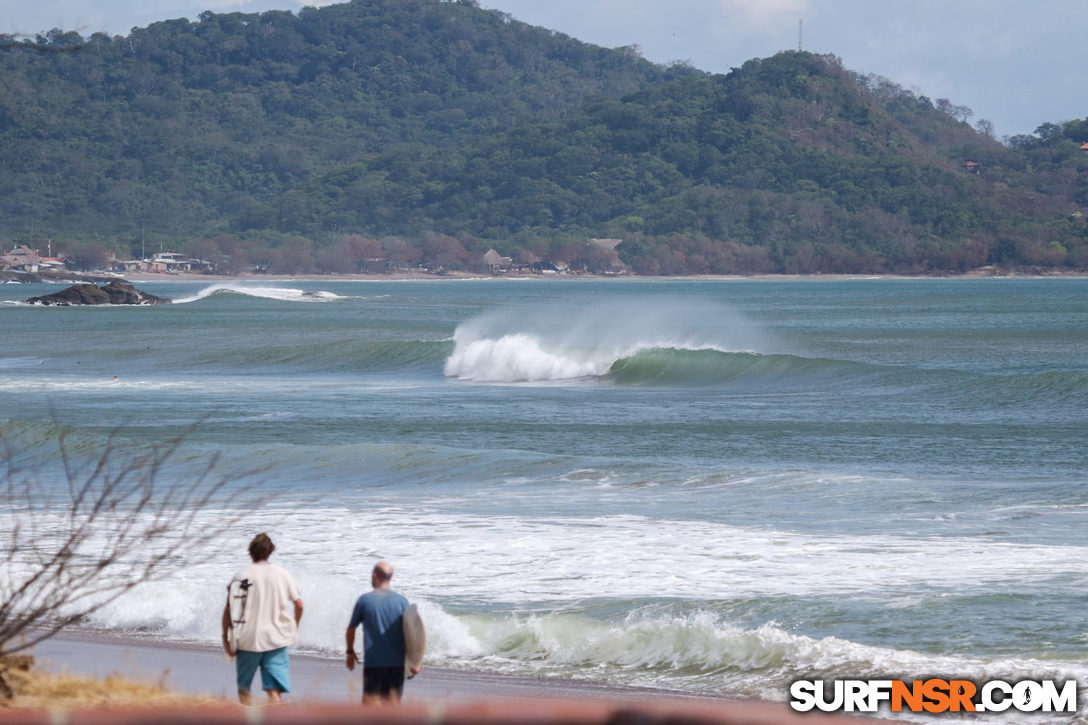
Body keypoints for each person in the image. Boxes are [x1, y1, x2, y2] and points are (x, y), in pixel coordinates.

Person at [221, 533, 303, 705]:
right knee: (274, 691)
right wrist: (295, 626)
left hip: (247, 639)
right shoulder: (281, 574)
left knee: (244, 688)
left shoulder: (241, 575)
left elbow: (229, 609)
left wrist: (226, 638)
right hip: (275, 639)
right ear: (271, 551)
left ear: (251, 551)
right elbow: (299, 604)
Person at [345, 560, 417, 704]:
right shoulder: (402, 601)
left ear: (374, 575)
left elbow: (351, 628)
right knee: (392, 706)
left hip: (374, 664)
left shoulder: (364, 601)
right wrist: (415, 661)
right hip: (397, 664)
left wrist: (350, 652)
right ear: (390, 577)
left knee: (370, 707)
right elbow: (411, 633)